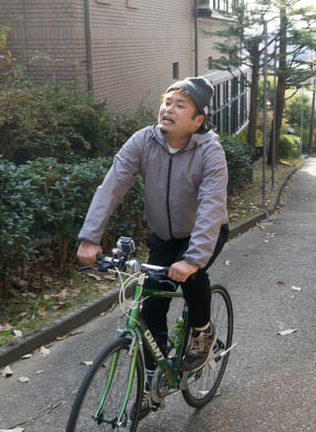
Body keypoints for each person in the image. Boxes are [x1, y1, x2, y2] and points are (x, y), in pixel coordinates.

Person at [76, 76, 229, 420]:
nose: (168, 109)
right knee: (150, 309)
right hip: (164, 235)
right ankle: (150, 384)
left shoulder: (210, 152)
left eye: (180, 105)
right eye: (167, 101)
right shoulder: (143, 141)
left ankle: (202, 332)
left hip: (204, 232)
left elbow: (211, 205)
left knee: (192, 277)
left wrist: (192, 259)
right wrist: (90, 237)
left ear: (198, 120)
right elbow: (112, 186)